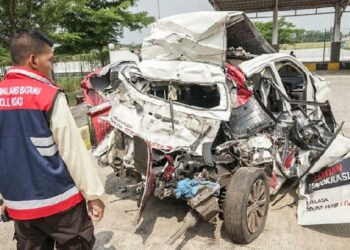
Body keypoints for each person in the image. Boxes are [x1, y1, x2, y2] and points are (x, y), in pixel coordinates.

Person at [0, 30, 105, 249]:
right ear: (33, 60)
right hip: (60, 203)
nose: (51, 66)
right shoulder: (47, 94)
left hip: (20, 206)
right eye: (50, 60)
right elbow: (72, 150)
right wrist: (93, 194)